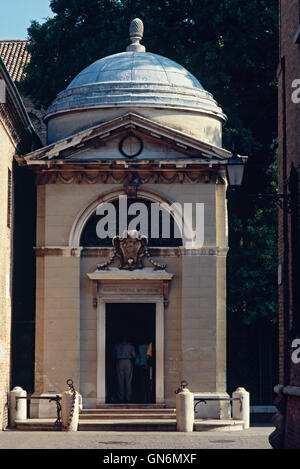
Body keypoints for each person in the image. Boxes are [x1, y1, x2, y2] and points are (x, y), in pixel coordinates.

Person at [113, 336, 136, 403]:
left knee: (120, 380)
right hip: (128, 361)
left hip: (120, 361)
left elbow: (114, 354)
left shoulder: (117, 346)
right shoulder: (130, 345)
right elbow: (134, 355)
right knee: (128, 380)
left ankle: (121, 397)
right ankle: (128, 397)